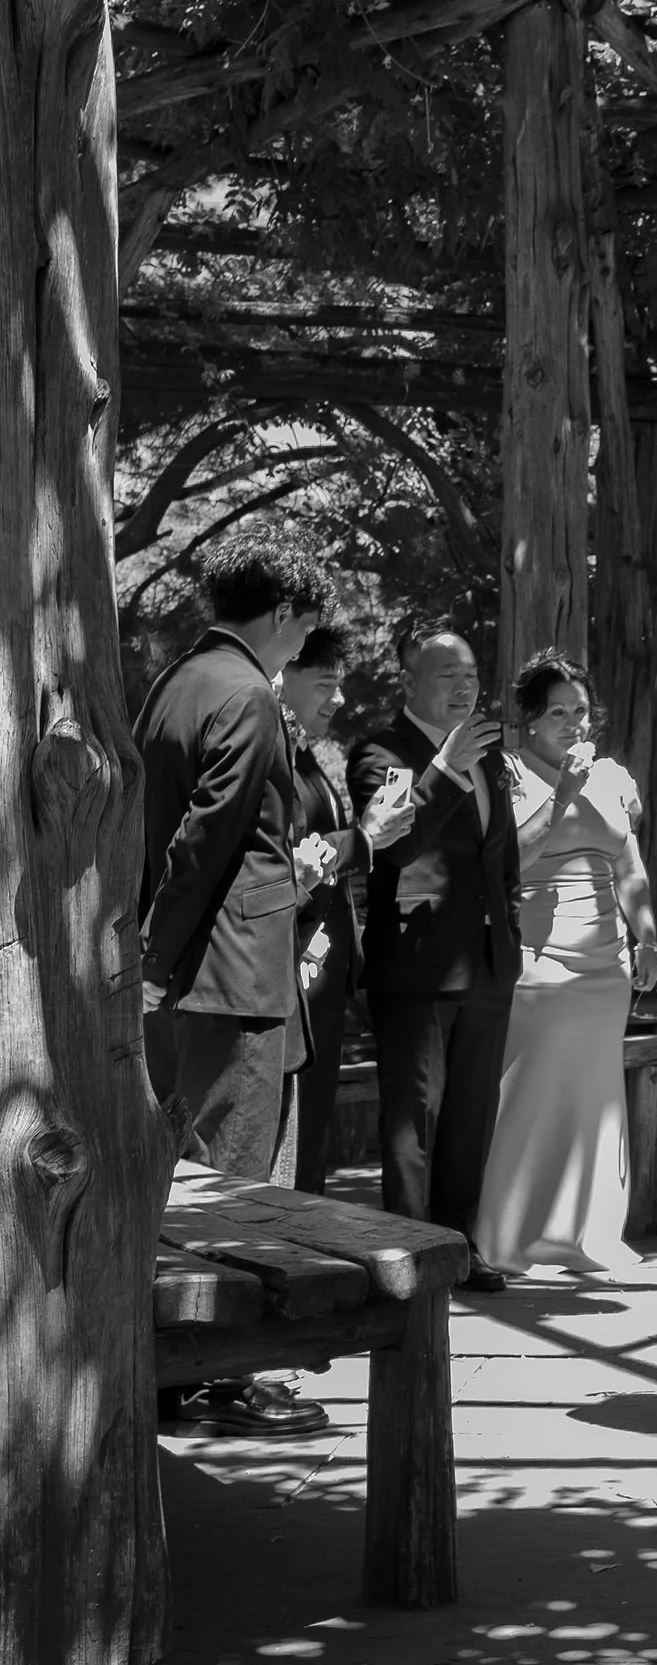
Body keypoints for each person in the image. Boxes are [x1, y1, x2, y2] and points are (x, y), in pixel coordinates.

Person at [137, 526, 333, 1438]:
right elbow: (206, 839)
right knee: (234, 1185)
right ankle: (225, 1380)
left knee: (181, 1181)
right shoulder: (249, 694)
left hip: (183, 975)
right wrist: (154, 956)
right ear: (282, 612)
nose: (306, 643)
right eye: (306, 626)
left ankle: (173, 1376)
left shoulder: (175, 681)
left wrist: (150, 960)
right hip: (230, 969)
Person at [474, 652, 657, 1277]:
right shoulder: (506, 773)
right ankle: (510, 1234)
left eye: (580, 711)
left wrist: (647, 940)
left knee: (593, 1101)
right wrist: (563, 795)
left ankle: (586, 1231)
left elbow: (628, 867)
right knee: (528, 1100)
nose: (573, 724)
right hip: (538, 966)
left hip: (604, 971)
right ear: (529, 718)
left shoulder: (610, 776)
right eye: (558, 712)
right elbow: (510, 862)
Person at [350, 621, 521, 1292]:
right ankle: (409, 1255)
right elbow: (394, 846)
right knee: (414, 1122)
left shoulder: (488, 756)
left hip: (486, 963)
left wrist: (509, 932)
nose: (464, 687)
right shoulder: (383, 753)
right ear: (408, 682)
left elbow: (501, 858)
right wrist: (445, 770)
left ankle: (460, 1245)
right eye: (448, 675)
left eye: (471, 675)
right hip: (418, 964)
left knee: (470, 1117)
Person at [277, 624, 387, 1197]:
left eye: (339, 684)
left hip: (323, 970)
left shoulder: (304, 755)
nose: (338, 698)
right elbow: (291, 857)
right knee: (287, 1132)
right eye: (325, 684)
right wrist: (363, 837)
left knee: (311, 1128)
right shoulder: (269, 756)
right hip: (290, 967)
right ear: (283, 676)